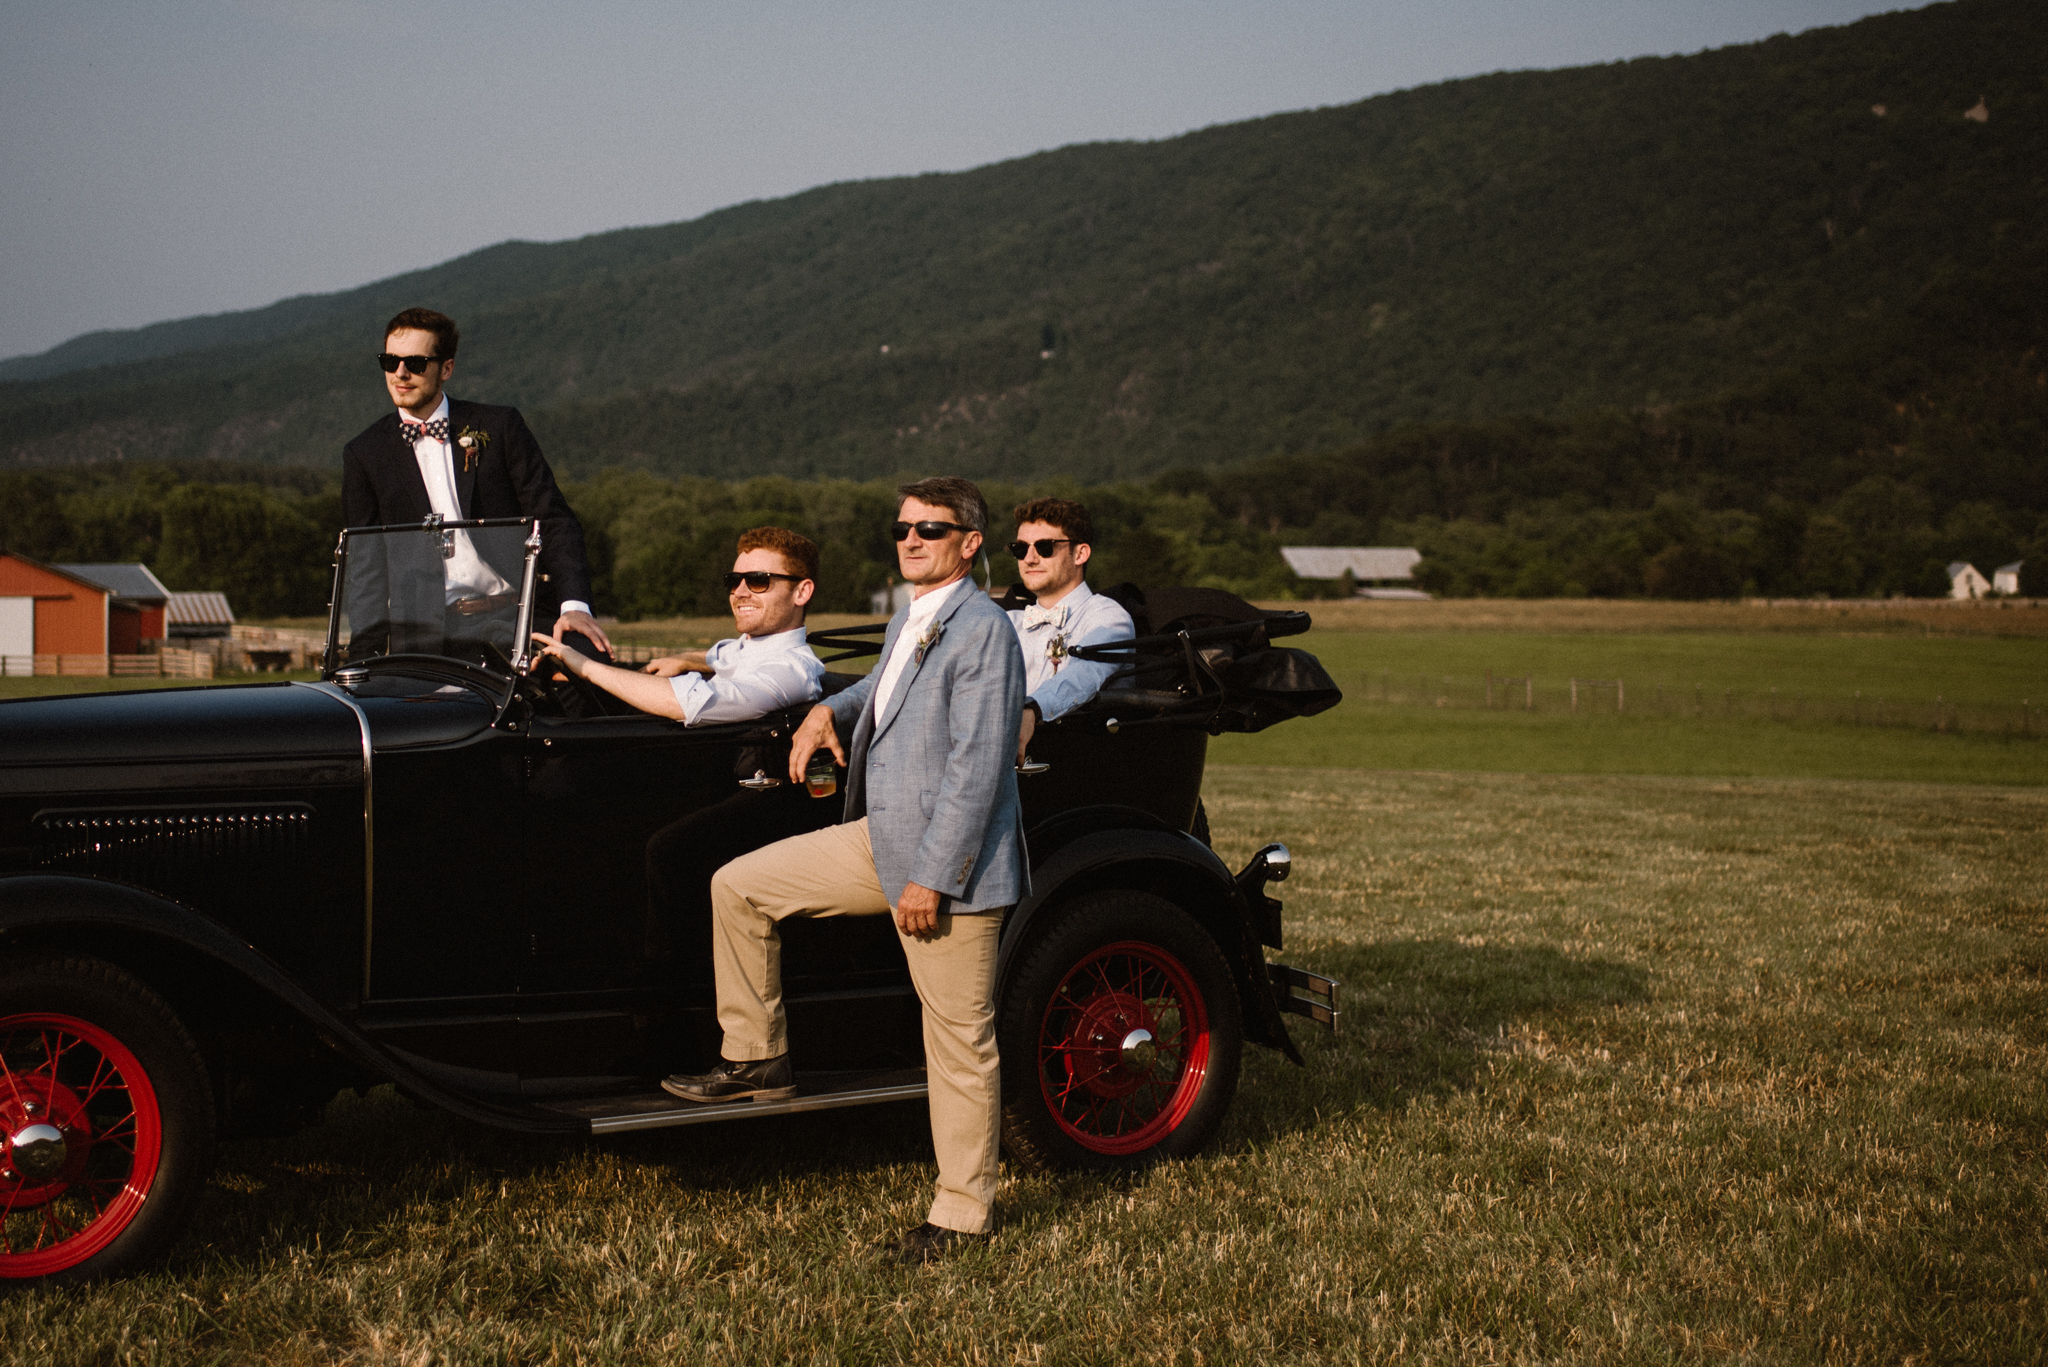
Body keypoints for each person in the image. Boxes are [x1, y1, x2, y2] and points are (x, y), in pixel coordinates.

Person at [664, 476, 1027, 1266]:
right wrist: (833, 707)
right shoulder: (913, 618)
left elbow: (979, 766)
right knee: (740, 884)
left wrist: (931, 878)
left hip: (944, 862)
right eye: (903, 528)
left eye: (931, 528)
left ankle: (963, 1212)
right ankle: (757, 1052)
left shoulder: (984, 628)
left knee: (959, 1039)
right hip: (880, 836)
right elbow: (882, 686)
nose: (912, 539)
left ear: (969, 542)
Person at [530, 528, 831, 973]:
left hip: (758, 793)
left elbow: (696, 703)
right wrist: (688, 660)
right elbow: (721, 655)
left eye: (760, 581)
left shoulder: (791, 669)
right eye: (735, 581)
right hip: (710, 773)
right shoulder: (749, 648)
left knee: (664, 848)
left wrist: (586, 667)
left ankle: (661, 980)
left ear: (802, 590)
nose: (741, 592)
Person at [341, 306, 612, 661]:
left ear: (447, 368)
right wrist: (365, 655)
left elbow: (553, 519)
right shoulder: (365, 452)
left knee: (592, 672)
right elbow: (365, 567)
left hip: (519, 616)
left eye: (416, 363)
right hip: (428, 635)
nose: (400, 374)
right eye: (390, 362)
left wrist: (574, 606)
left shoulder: (499, 427)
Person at [1006, 497, 1135, 765]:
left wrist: (1032, 709)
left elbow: (1084, 675)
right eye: (1021, 549)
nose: (1030, 559)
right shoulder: (1008, 623)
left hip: (1080, 766)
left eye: (1045, 547)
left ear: (1080, 554)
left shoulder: (1108, 618)